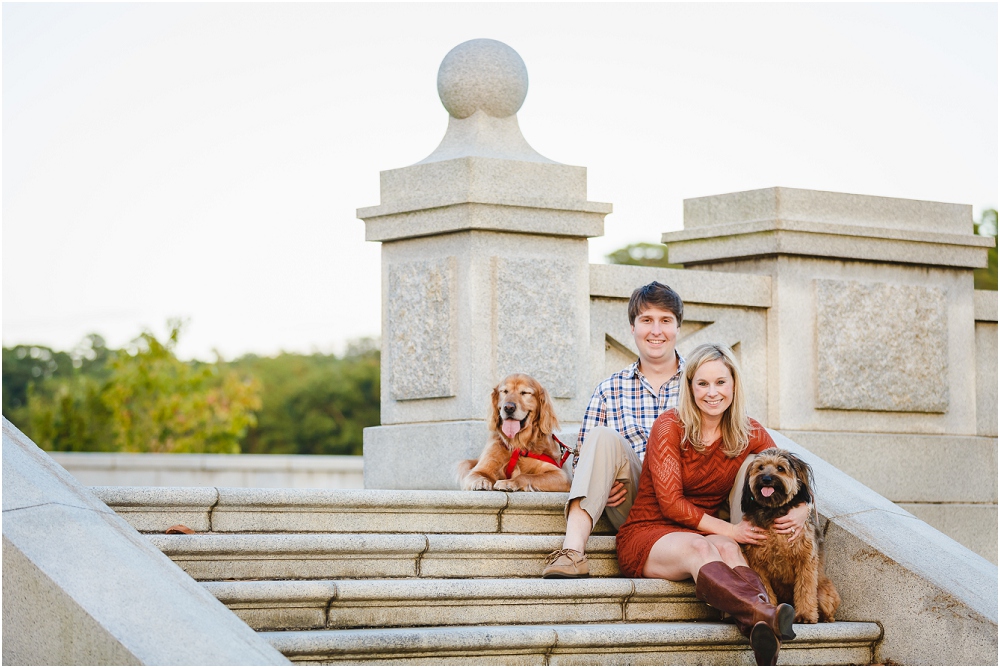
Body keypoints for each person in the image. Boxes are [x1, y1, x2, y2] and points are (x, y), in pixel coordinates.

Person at [614, 343, 809, 666]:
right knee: (704, 548)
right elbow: (672, 505)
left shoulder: (748, 431)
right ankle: (766, 613)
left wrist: (804, 508)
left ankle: (759, 625)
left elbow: (790, 472)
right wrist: (732, 529)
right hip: (649, 532)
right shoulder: (669, 426)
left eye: (721, 382)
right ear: (689, 387)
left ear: (734, 386)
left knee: (729, 550)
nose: (712, 393)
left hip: (701, 530)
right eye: (702, 383)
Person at [543, 281, 687, 578]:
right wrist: (600, 484)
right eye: (646, 320)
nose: (656, 331)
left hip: (691, 497)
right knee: (601, 436)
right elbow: (583, 460)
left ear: (678, 328)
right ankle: (572, 552)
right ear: (632, 328)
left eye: (665, 321)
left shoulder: (701, 383)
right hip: (635, 502)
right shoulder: (610, 389)